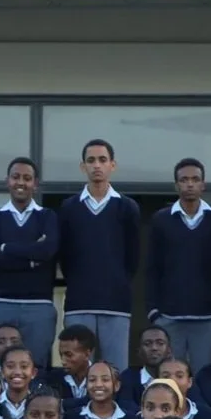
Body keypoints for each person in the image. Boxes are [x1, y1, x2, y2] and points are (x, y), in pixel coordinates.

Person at [50, 139, 140, 368]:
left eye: (102, 160)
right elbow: (65, 255)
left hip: (116, 305)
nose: (97, 165)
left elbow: (133, 258)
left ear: (112, 165)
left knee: (115, 371)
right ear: (83, 167)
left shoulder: (127, 207)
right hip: (79, 303)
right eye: (91, 160)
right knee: (77, 369)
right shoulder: (69, 207)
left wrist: (117, 281)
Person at [141, 157, 211, 373]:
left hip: (208, 318)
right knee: (169, 377)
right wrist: (153, 312)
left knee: (204, 377)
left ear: (203, 184)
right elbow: (152, 268)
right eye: (184, 180)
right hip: (169, 318)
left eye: (195, 179)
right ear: (176, 185)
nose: (190, 184)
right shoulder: (161, 220)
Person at [0, 157, 57, 364]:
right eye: (16, 177)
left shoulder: (47, 216)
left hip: (39, 306)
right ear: (7, 181)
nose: (21, 182)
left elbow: (47, 251)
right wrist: (31, 259)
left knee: (35, 367)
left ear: (35, 184)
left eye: (27, 178)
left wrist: (7, 248)